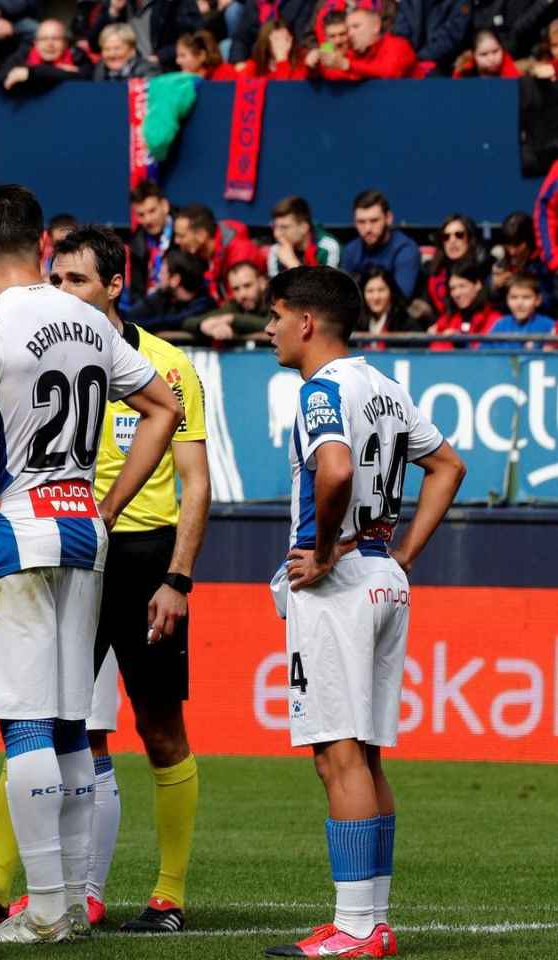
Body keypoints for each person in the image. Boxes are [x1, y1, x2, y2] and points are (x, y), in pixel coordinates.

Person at [0, 184, 180, 946]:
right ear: (44, 247)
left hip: (17, 531)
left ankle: (49, 908)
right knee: (75, 724)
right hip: (86, 529)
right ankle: (76, 897)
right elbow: (165, 408)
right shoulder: (89, 321)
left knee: (25, 726)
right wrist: (112, 501)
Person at [261, 266, 465, 959]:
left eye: (277, 314)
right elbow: (449, 466)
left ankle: (351, 930)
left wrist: (320, 551)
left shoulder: (322, 391)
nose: (269, 329)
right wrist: (403, 552)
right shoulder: (383, 387)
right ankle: (372, 921)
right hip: (382, 573)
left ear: (308, 323)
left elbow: (337, 470)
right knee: (369, 756)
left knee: (337, 757)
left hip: (340, 584)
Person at [50, 226, 210, 934]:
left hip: (145, 558)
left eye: (77, 280)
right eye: (55, 280)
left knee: (159, 727)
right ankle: (2, 883)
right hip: (69, 550)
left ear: (114, 286)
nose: (63, 294)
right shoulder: (49, 354)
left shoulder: (168, 366)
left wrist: (178, 577)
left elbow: (196, 484)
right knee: (43, 719)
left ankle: (168, 893)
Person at [340, 190, 421, 302]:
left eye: (374, 221)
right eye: (361, 222)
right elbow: (343, 297)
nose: (368, 228)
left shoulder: (405, 250)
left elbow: (400, 300)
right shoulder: (351, 250)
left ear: (388, 218)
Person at [172, 203, 262, 304]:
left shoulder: (240, 252)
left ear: (201, 235)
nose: (176, 241)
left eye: (181, 236)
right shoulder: (201, 255)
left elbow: (239, 303)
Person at [123, 248, 218, 333]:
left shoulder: (204, 305)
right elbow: (129, 318)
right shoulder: (162, 297)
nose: (158, 276)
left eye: (162, 272)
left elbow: (173, 321)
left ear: (175, 280)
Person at [312, 6, 418, 79]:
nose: (350, 34)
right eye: (348, 29)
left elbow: (390, 72)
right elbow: (333, 74)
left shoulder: (397, 45)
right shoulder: (353, 52)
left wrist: (347, 65)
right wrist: (315, 63)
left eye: (356, 26)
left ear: (376, 26)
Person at [0, 17, 89, 93]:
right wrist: (59, 72)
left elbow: (86, 77)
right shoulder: (24, 54)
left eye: (56, 39)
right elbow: (1, 78)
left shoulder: (77, 55)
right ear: (35, 43)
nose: (49, 44)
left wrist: (31, 74)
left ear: (65, 43)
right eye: (43, 39)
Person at [191, 260, 270, 340]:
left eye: (247, 285)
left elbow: (271, 324)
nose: (242, 294)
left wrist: (232, 319)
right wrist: (203, 325)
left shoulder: (276, 301)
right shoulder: (234, 305)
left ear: (262, 283)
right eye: (236, 289)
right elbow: (189, 322)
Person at [431, 260, 502, 347]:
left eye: (462, 286)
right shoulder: (448, 318)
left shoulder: (495, 320)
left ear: (477, 285)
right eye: (453, 288)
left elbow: (488, 354)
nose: (457, 294)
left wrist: (462, 342)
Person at [123, 182, 171, 309]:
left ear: (165, 206)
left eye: (152, 211)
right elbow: (137, 293)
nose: (148, 220)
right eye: (141, 215)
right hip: (150, 306)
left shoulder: (182, 234)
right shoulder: (136, 243)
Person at [267, 195, 340, 279]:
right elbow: (276, 290)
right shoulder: (276, 250)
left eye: (284, 227)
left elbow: (325, 290)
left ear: (304, 227)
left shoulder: (328, 247)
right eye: (275, 227)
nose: (276, 234)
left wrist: (292, 263)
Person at [486, 273, 557, 347]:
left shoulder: (549, 326)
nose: (519, 304)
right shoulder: (500, 326)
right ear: (507, 299)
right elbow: (484, 353)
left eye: (526, 297)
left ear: (538, 300)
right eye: (514, 297)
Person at [392, 0, 470, 68]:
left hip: (443, 64)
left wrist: (419, 58)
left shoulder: (462, 2)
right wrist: (407, 58)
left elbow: (451, 37)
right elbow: (401, 31)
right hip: (408, 59)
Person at [358, 265, 420, 339]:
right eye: (370, 291)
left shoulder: (405, 324)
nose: (376, 297)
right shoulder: (357, 323)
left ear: (391, 292)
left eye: (381, 290)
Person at [243, 18, 309, 79]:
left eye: (286, 38)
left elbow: (289, 89)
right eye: (276, 39)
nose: (281, 43)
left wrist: (282, 60)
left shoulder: (300, 61)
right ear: (266, 42)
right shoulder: (254, 66)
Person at [453, 27, 519, 75]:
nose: (491, 59)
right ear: (473, 55)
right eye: (484, 54)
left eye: (495, 51)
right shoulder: (463, 73)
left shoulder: (510, 71)